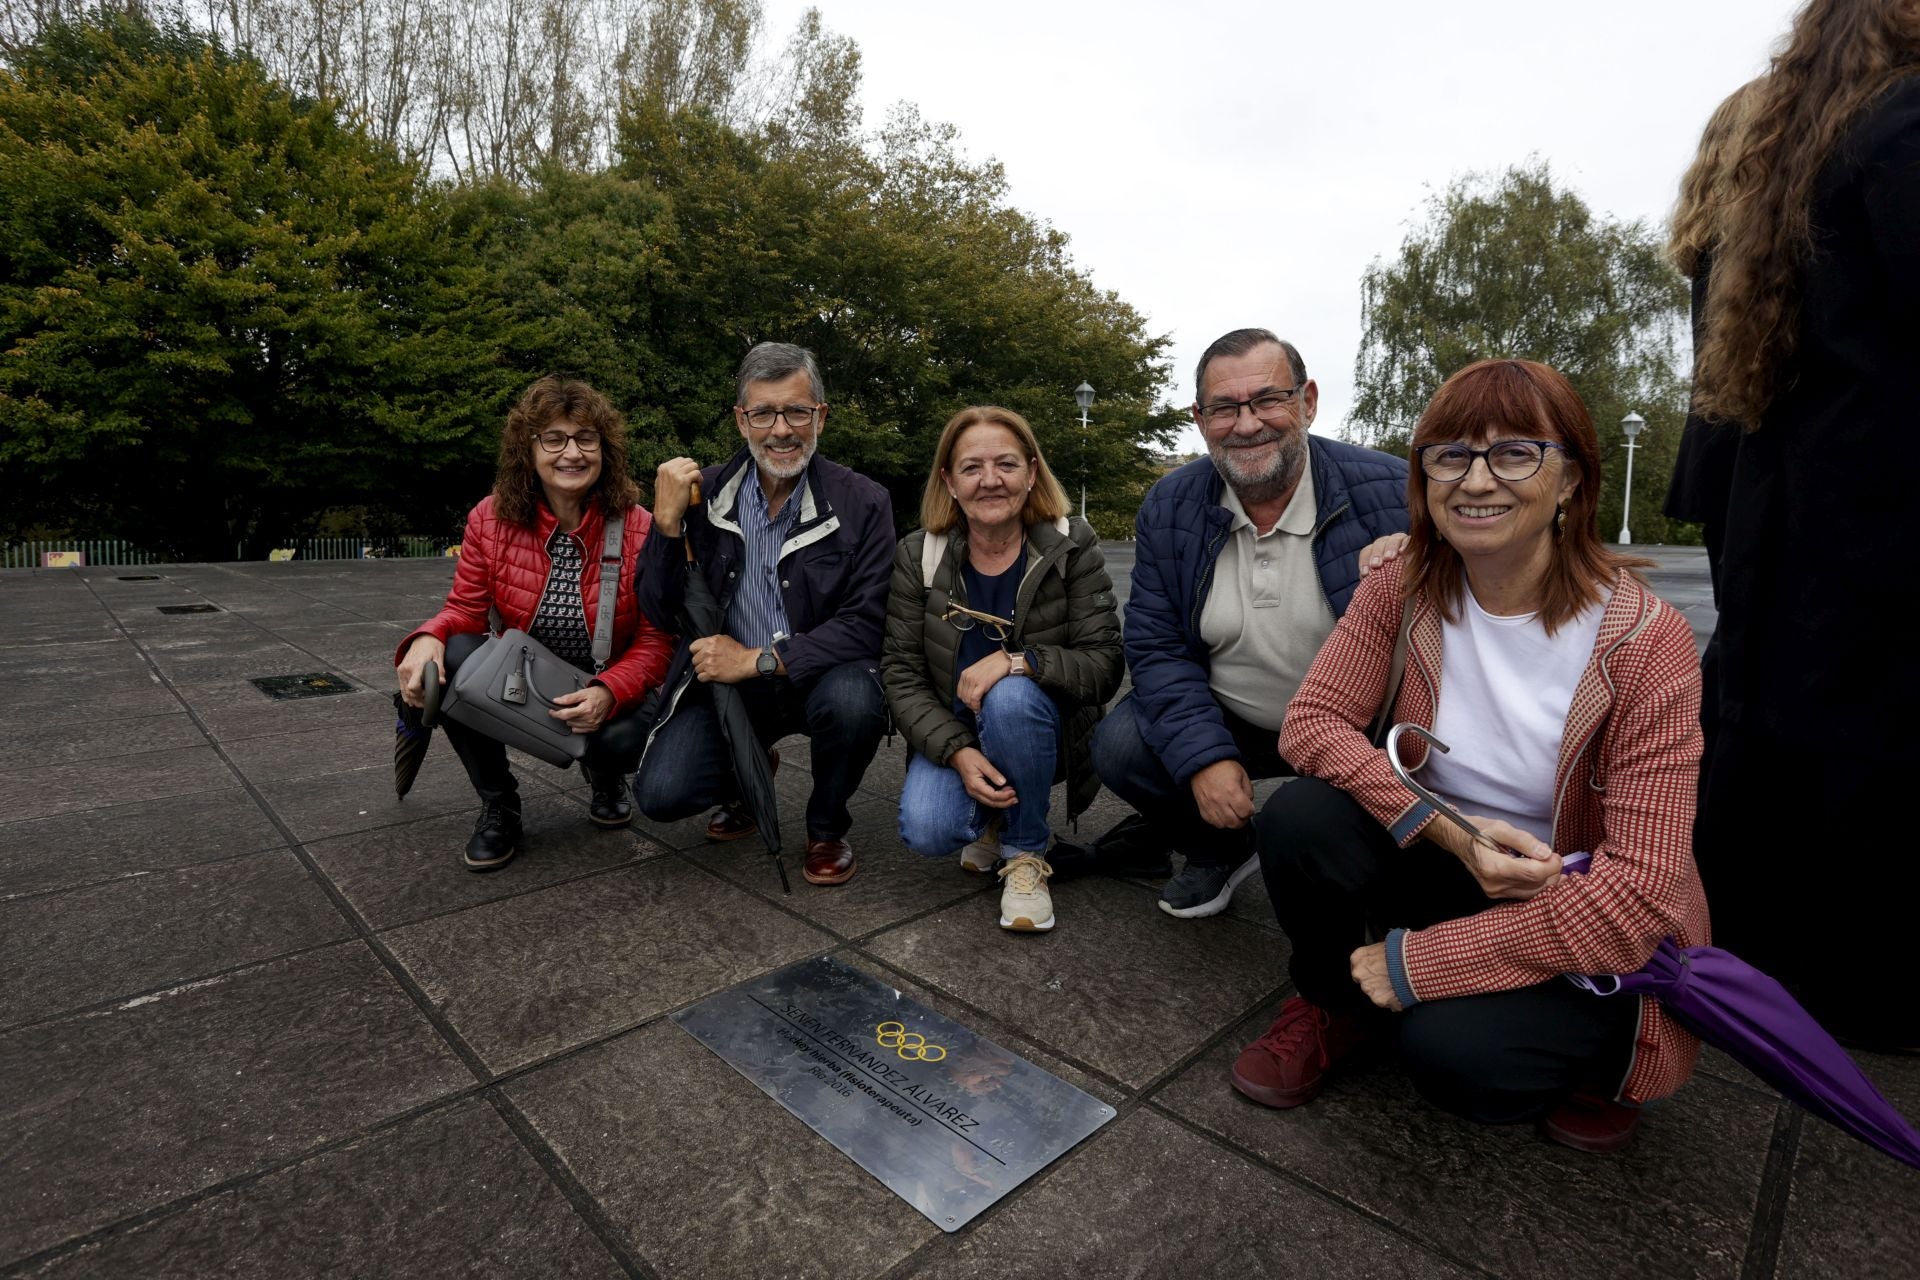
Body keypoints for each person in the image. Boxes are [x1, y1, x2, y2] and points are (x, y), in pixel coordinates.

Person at [1234, 358, 1708, 1153]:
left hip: (1573, 899)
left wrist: (1422, 962)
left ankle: (1604, 1052)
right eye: (1451, 454)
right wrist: (1454, 835)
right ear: (1424, 478)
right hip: (1446, 857)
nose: (1476, 479)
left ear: (1571, 481)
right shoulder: (1407, 585)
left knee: (1457, 1064)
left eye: (1516, 453)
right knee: (1300, 818)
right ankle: (1334, 1004)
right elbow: (1312, 724)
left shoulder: (1645, 641)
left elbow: (1637, 897)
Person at [1679, 0, 1920, 1050]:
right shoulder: (1899, 127)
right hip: (1875, 501)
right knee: (1862, 738)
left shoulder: (1814, 146)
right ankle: (1854, 989)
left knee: (1774, 712)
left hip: (1794, 493)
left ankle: (1743, 950)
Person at [1090, 328, 1409, 918]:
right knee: (1120, 745)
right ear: (1199, 417)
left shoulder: (1396, 491)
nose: (1246, 423)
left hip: (1357, 727)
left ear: (1307, 401)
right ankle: (1221, 846)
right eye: (1224, 408)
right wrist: (1205, 758)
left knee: (1332, 864)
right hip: (1233, 715)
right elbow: (1157, 645)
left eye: (1268, 399)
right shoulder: (1170, 504)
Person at [634, 342, 893, 887]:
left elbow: (867, 622)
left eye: (797, 410)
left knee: (855, 701)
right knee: (660, 795)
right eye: (763, 413)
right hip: (726, 686)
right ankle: (746, 782)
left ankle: (825, 827)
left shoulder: (864, 501)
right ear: (740, 420)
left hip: (815, 675)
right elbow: (658, 609)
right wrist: (664, 527)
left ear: (821, 415)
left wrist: (761, 660)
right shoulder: (702, 496)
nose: (781, 429)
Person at [394, 377, 675, 871]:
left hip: (605, 681)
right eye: (554, 438)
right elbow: (465, 609)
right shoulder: (490, 518)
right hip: (526, 676)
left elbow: (657, 639)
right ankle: (499, 804)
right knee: (452, 659)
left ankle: (604, 772)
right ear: (529, 449)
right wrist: (426, 638)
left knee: (627, 743)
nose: (572, 452)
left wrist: (610, 690)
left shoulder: (638, 527)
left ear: (604, 450)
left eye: (586, 438)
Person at [883, 406, 1123, 931]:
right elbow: (900, 673)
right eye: (971, 468)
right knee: (928, 830)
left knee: (1009, 695)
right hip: (955, 728)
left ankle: (1025, 852)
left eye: (1006, 465)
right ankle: (991, 820)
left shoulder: (1071, 544)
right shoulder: (917, 553)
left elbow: (1104, 665)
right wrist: (958, 752)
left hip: (1043, 730)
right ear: (948, 480)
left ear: (1032, 472)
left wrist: (1020, 661)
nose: (990, 480)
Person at [1660, 77, 1763, 604]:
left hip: (1719, 440)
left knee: (1741, 616)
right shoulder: (1751, 242)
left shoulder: (1709, 243)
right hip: (1748, 441)